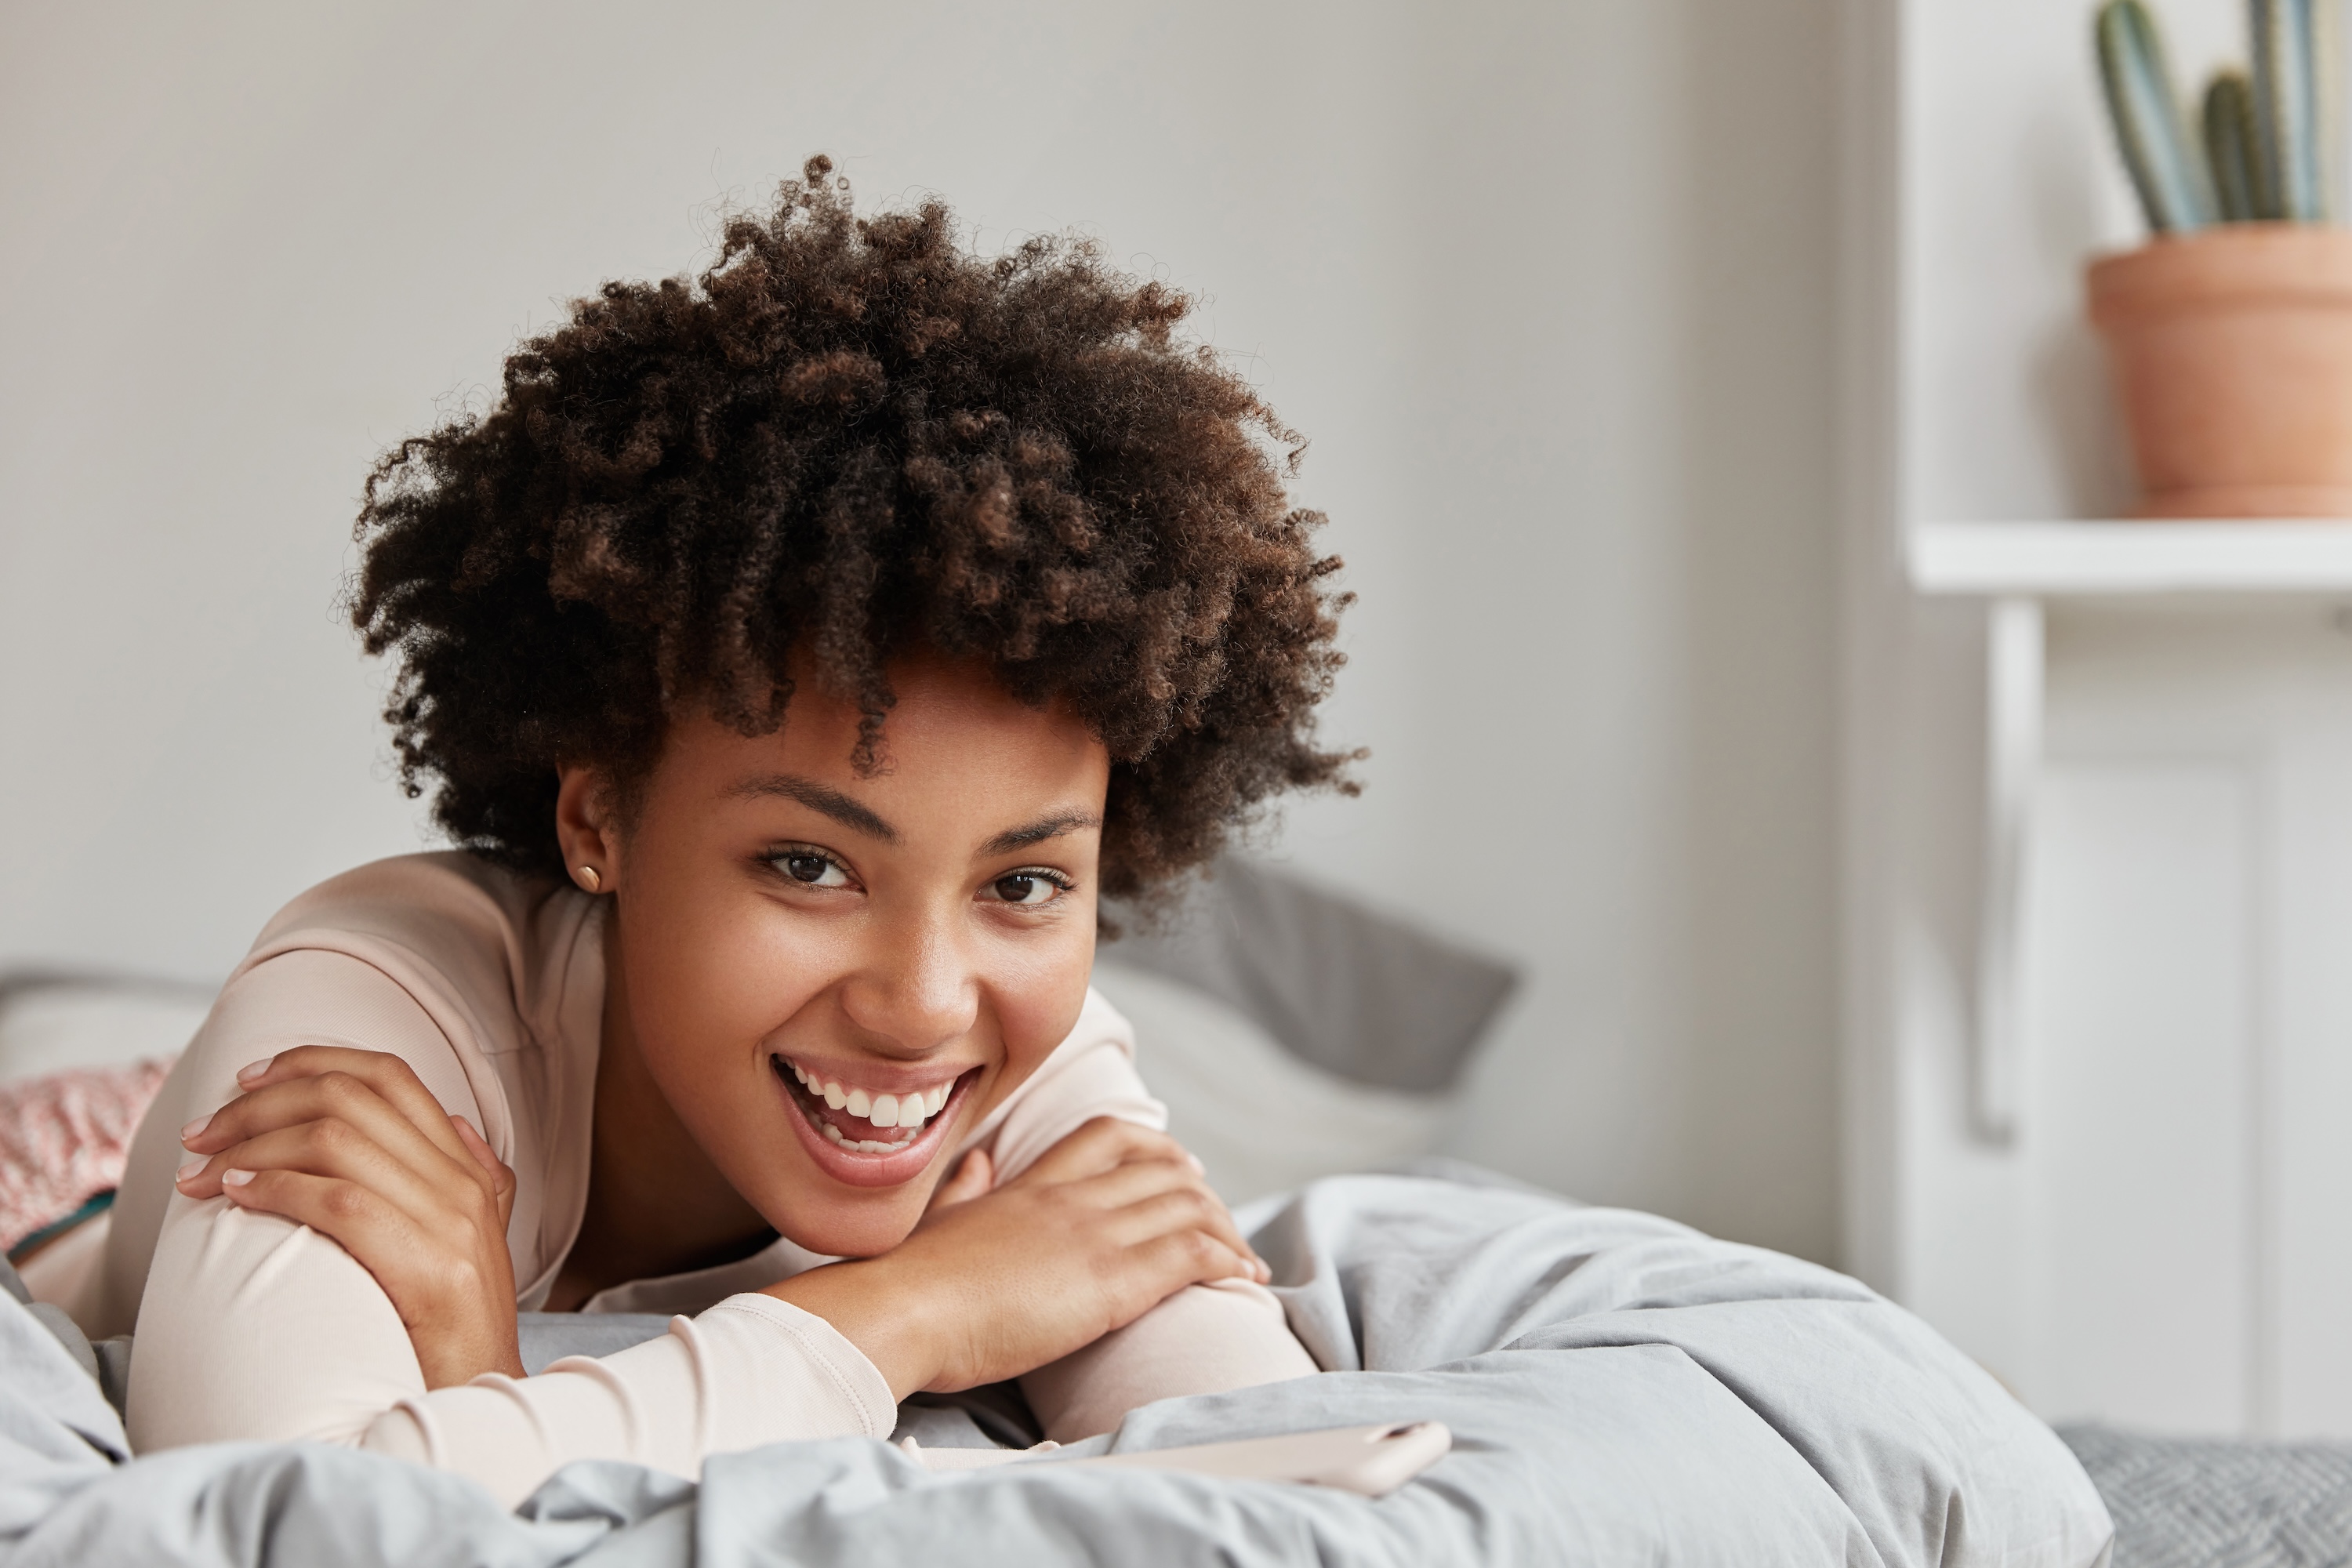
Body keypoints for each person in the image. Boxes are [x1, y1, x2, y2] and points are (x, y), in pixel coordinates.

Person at [89, 158, 1358, 1508]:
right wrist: (917, 1312)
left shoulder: (1028, 1065)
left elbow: (1287, 1488)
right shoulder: (364, 1036)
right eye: (810, 865)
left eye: (1027, 880)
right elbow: (277, 1518)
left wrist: (487, 1386)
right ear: (596, 817)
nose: (924, 1008)